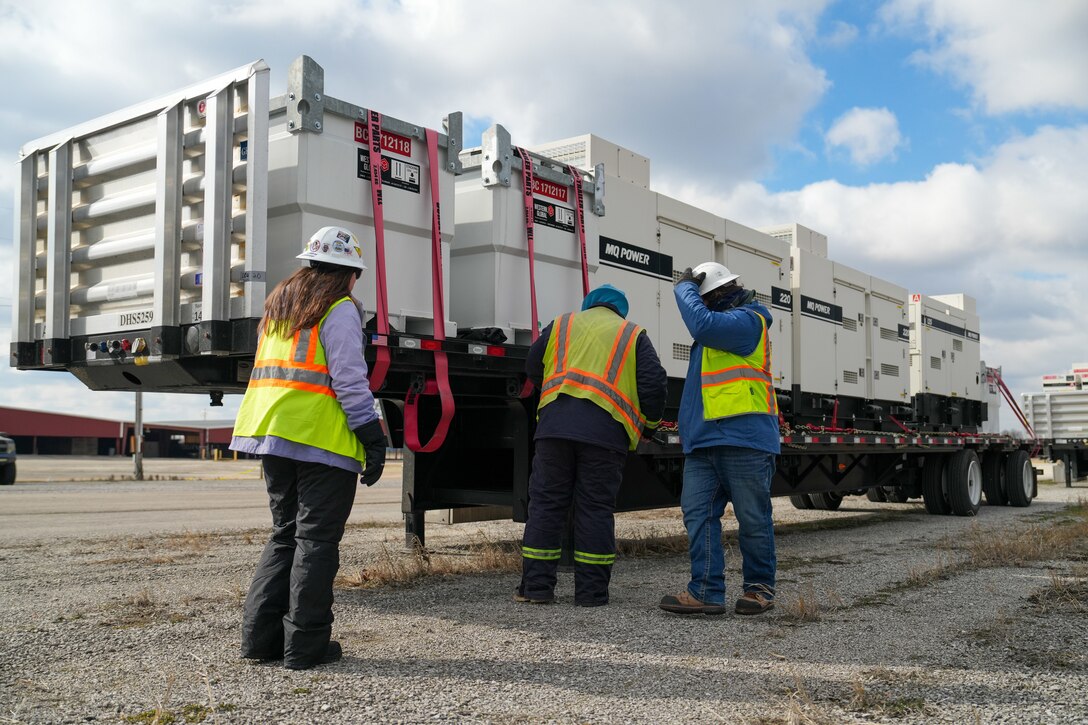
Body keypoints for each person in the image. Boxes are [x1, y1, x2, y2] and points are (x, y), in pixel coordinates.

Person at [231, 226, 387, 669]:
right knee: (316, 542)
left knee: (284, 536)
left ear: (309, 262)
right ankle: (305, 646)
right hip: (319, 440)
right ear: (351, 273)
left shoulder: (280, 303)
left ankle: (260, 643)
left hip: (272, 432)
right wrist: (372, 437)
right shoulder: (338, 308)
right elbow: (350, 381)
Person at [516, 284, 667, 607]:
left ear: (589, 305)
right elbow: (654, 385)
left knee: (545, 505)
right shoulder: (632, 334)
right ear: (620, 310)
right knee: (595, 508)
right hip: (605, 435)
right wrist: (649, 427)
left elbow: (531, 365)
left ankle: (536, 589)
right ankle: (591, 594)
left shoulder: (562, 324)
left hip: (554, 430)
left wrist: (558, 394)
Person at [659, 263, 780, 616]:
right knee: (698, 518)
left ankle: (759, 590)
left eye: (702, 297)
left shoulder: (749, 320)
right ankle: (706, 592)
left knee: (754, 520)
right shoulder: (713, 332)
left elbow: (702, 323)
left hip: (745, 439)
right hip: (704, 443)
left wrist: (683, 289)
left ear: (713, 294)